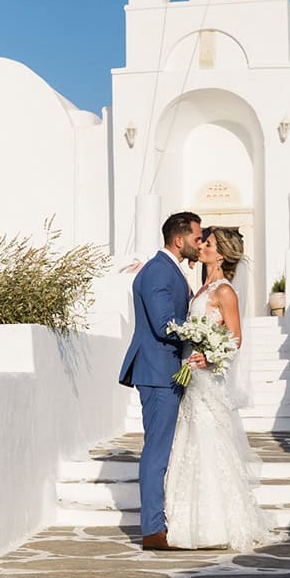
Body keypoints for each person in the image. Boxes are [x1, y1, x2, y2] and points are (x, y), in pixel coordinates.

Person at [164, 226, 271, 551]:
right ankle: (188, 522)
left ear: (220, 253)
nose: (201, 247)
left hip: (207, 377)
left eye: (207, 244)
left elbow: (236, 339)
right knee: (190, 442)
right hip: (191, 377)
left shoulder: (224, 291)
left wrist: (209, 357)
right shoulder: (201, 289)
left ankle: (215, 525)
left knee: (209, 442)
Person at [119, 211, 204, 551]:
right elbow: (164, 323)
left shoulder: (166, 269)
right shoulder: (157, 270)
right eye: (197, 238)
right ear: (179, 239)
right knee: (157, 451)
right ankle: (153, 530)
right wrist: (201, 335)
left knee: (164, 448)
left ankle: (161, 521)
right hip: (157, 372)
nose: (200, 244)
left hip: (166, 369)